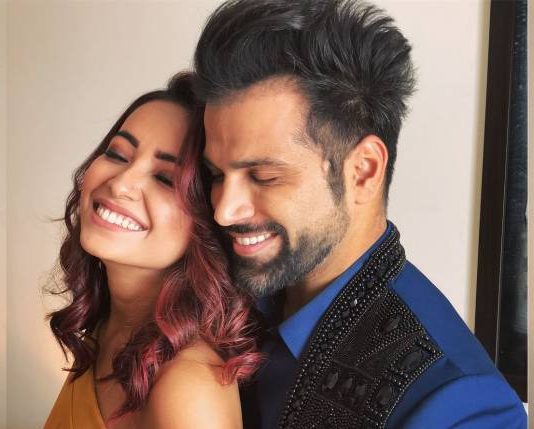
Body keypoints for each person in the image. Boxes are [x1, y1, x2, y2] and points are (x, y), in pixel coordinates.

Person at [192, 1, 528, 428]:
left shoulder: (460, 406)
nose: (224, 211)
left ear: (363, 171)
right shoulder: (219, 291)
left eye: (264, 177)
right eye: (216, 175)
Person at [44, 72, 260, 429]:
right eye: (118, 154)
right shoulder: (109, 323)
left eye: (164, 179)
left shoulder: (189, 387)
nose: (122, 184)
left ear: (207, 221)